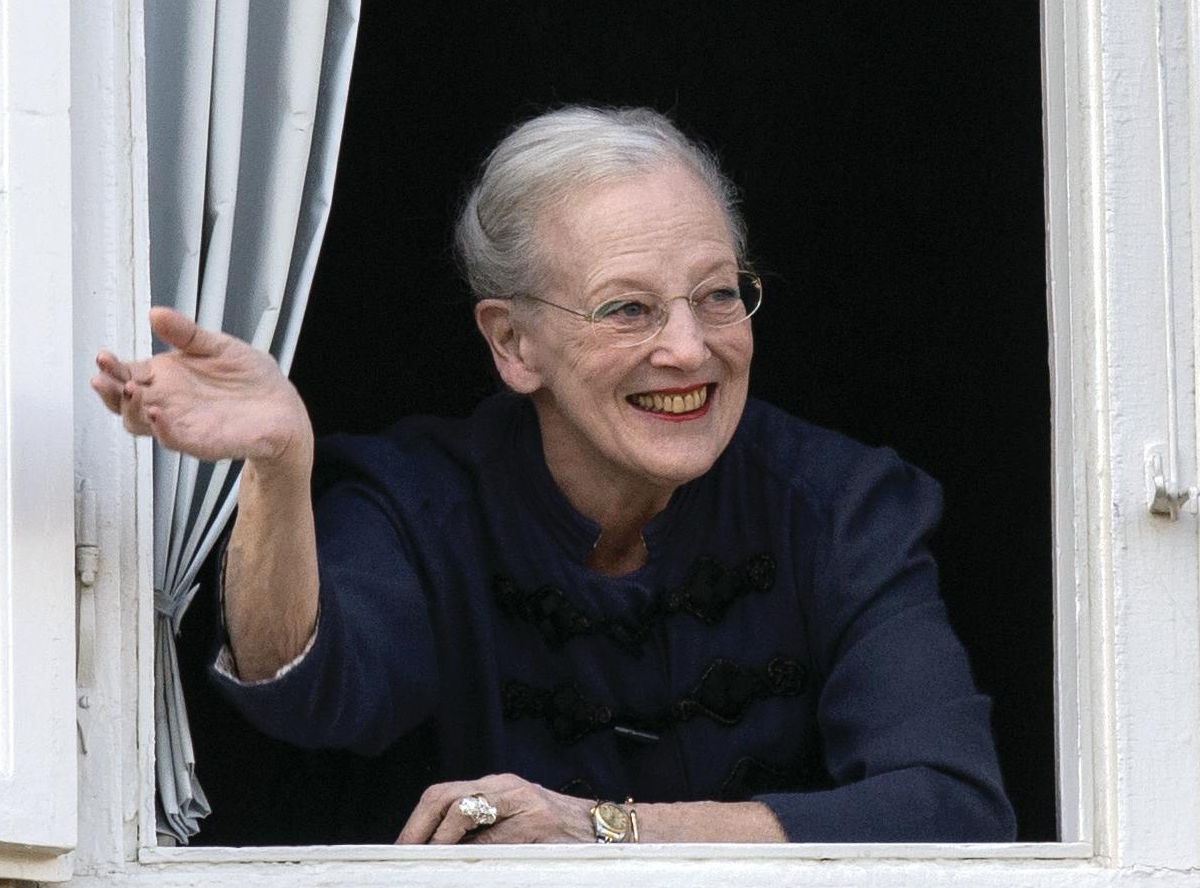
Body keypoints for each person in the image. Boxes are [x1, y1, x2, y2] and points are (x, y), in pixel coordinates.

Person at [91, 106, 1014, 845]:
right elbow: (309, 693)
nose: (688, 349)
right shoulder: (421, 499)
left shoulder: (842, 504)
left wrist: (609, 829)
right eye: (628, 309)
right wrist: (278, 465)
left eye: (717, 295)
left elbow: (952, 809)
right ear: (513, 343)